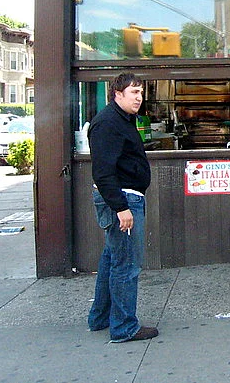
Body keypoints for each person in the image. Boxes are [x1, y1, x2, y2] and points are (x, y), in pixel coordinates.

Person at [87, 72, 159, 342]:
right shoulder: (108, 123)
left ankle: (100, 318)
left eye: (141, 92)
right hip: (123, 200)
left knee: (111, 260)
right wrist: (120, 208)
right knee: (126, 265)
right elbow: (103, 172)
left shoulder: (120, 120)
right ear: (117, 94)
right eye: (133, 92)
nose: (139, 98)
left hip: (125, 198)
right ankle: (124, 327)